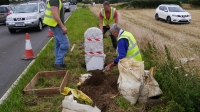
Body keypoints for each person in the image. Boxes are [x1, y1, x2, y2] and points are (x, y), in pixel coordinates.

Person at [43, 0, 70, 70]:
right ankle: (58, 63)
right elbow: (54, 13)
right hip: (55, 25)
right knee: (65, 44)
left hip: (55, 24)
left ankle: (60, 63)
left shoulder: (58, 0)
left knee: (58, 44)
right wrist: (62, 26)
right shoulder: (55, 0)